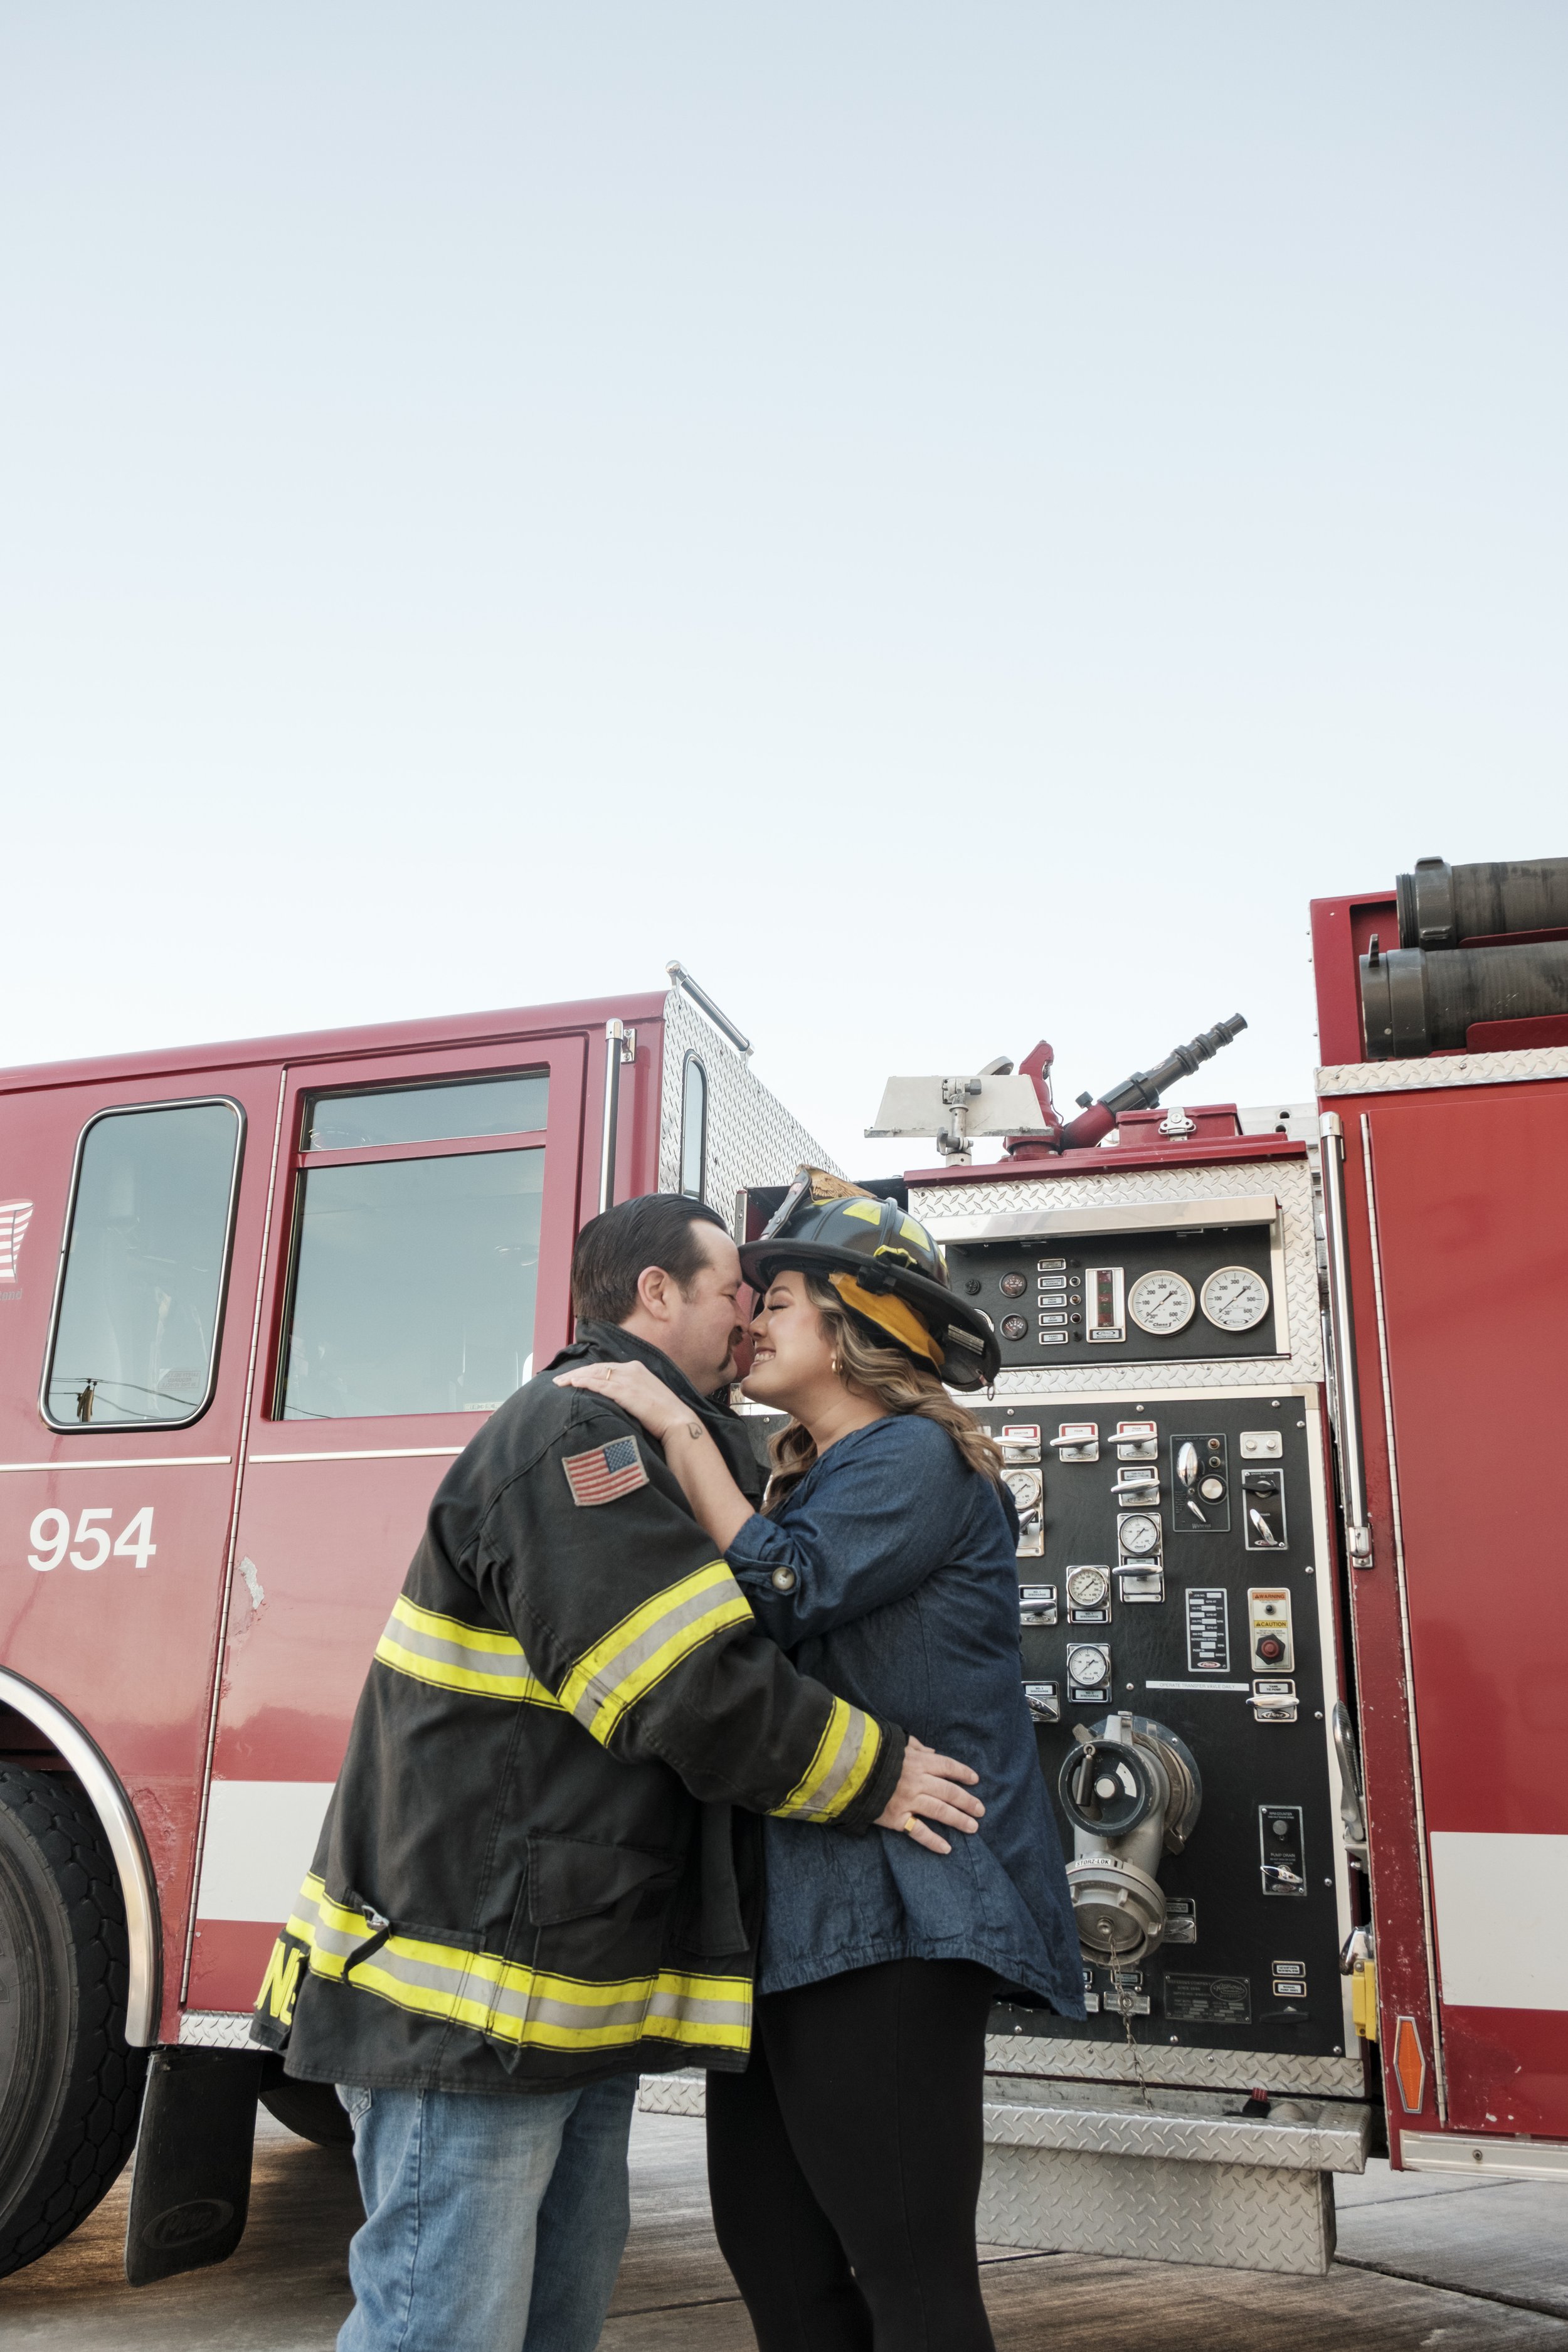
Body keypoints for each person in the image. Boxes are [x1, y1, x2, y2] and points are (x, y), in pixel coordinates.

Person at [251, 1191, 984, 2352]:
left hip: (564, 1998)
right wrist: (872, 1772)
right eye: (737, 1291)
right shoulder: (575, 1437)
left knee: (548, 2325)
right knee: (444, 2327)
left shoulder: (666, 1443)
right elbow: (678, 1683)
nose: (750, 1316)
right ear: (658, 1294)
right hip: (472, 2005)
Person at [556, 1171, 1084, 2352]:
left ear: (859, 1331)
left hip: (894, 1925)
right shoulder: (810, 1471)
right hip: (791, 1929)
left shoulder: (911, 1459)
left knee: (913, 2281)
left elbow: (778, 1590)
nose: (750, 1321)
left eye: (778, 1301)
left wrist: (679, 1428)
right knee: (780, 2271)